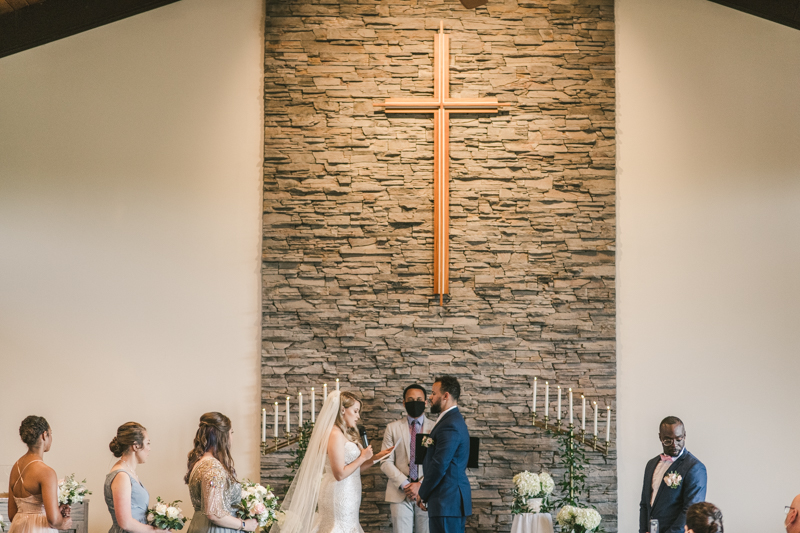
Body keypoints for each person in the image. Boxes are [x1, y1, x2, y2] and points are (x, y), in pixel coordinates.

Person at [270, 390, 394, 533]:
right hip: (338, 493)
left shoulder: (344, 433)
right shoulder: (334, 434)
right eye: (355, 411)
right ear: (342, 410)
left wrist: (376, 457)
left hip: (350, 492)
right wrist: (362, 457)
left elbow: (355, 469)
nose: (358, 416)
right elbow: (339, 474)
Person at [185, 413, 258, 533]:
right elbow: (213, 513)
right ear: (222, 436)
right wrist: (244, 524)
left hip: (198, 526)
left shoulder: (200, 463)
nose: (232, 437)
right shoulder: (214, 469)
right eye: (231, 432)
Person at [417, 376, 472, 533]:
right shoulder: (448, 420)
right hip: (446, 501)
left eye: (434, 393)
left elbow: (440, 464)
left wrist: (423, 491)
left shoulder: (450, 424)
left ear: (445, 396)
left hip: (447, 501)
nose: (430, 397)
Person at [381, 384, 435, 533]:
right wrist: (406, 484)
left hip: (426, 493)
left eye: (419, 399)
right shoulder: (392, 428)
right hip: (399, 492)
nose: (415, 402)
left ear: (425, 403)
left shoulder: (435, 428)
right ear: (404, 403)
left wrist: (420, 485)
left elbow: (437, 462)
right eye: (410, 399)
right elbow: (385, 461)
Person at [639, 416, 707, 533]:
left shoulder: (695, 468)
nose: (674, 444)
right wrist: (643, 530)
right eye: (668, 440)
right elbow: (645, 504)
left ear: (684, 435)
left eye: (679, 439)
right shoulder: (651, 464)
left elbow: (690, 511)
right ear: (660, 437)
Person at [7, 416, 73, 533]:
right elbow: (53, 520)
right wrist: (64, 523)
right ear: (44, 435)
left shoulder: (15, 467)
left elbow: (12, 515)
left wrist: (56, 509)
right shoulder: (46, 472)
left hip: (18, 528)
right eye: (50, 434)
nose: (51, 438)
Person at [105, 422, 161, 533]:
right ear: (136, 446)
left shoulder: (129, 473)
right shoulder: (121, 476)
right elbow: (125, 523)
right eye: (148, 443)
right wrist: (156, 531)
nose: (149, 449)